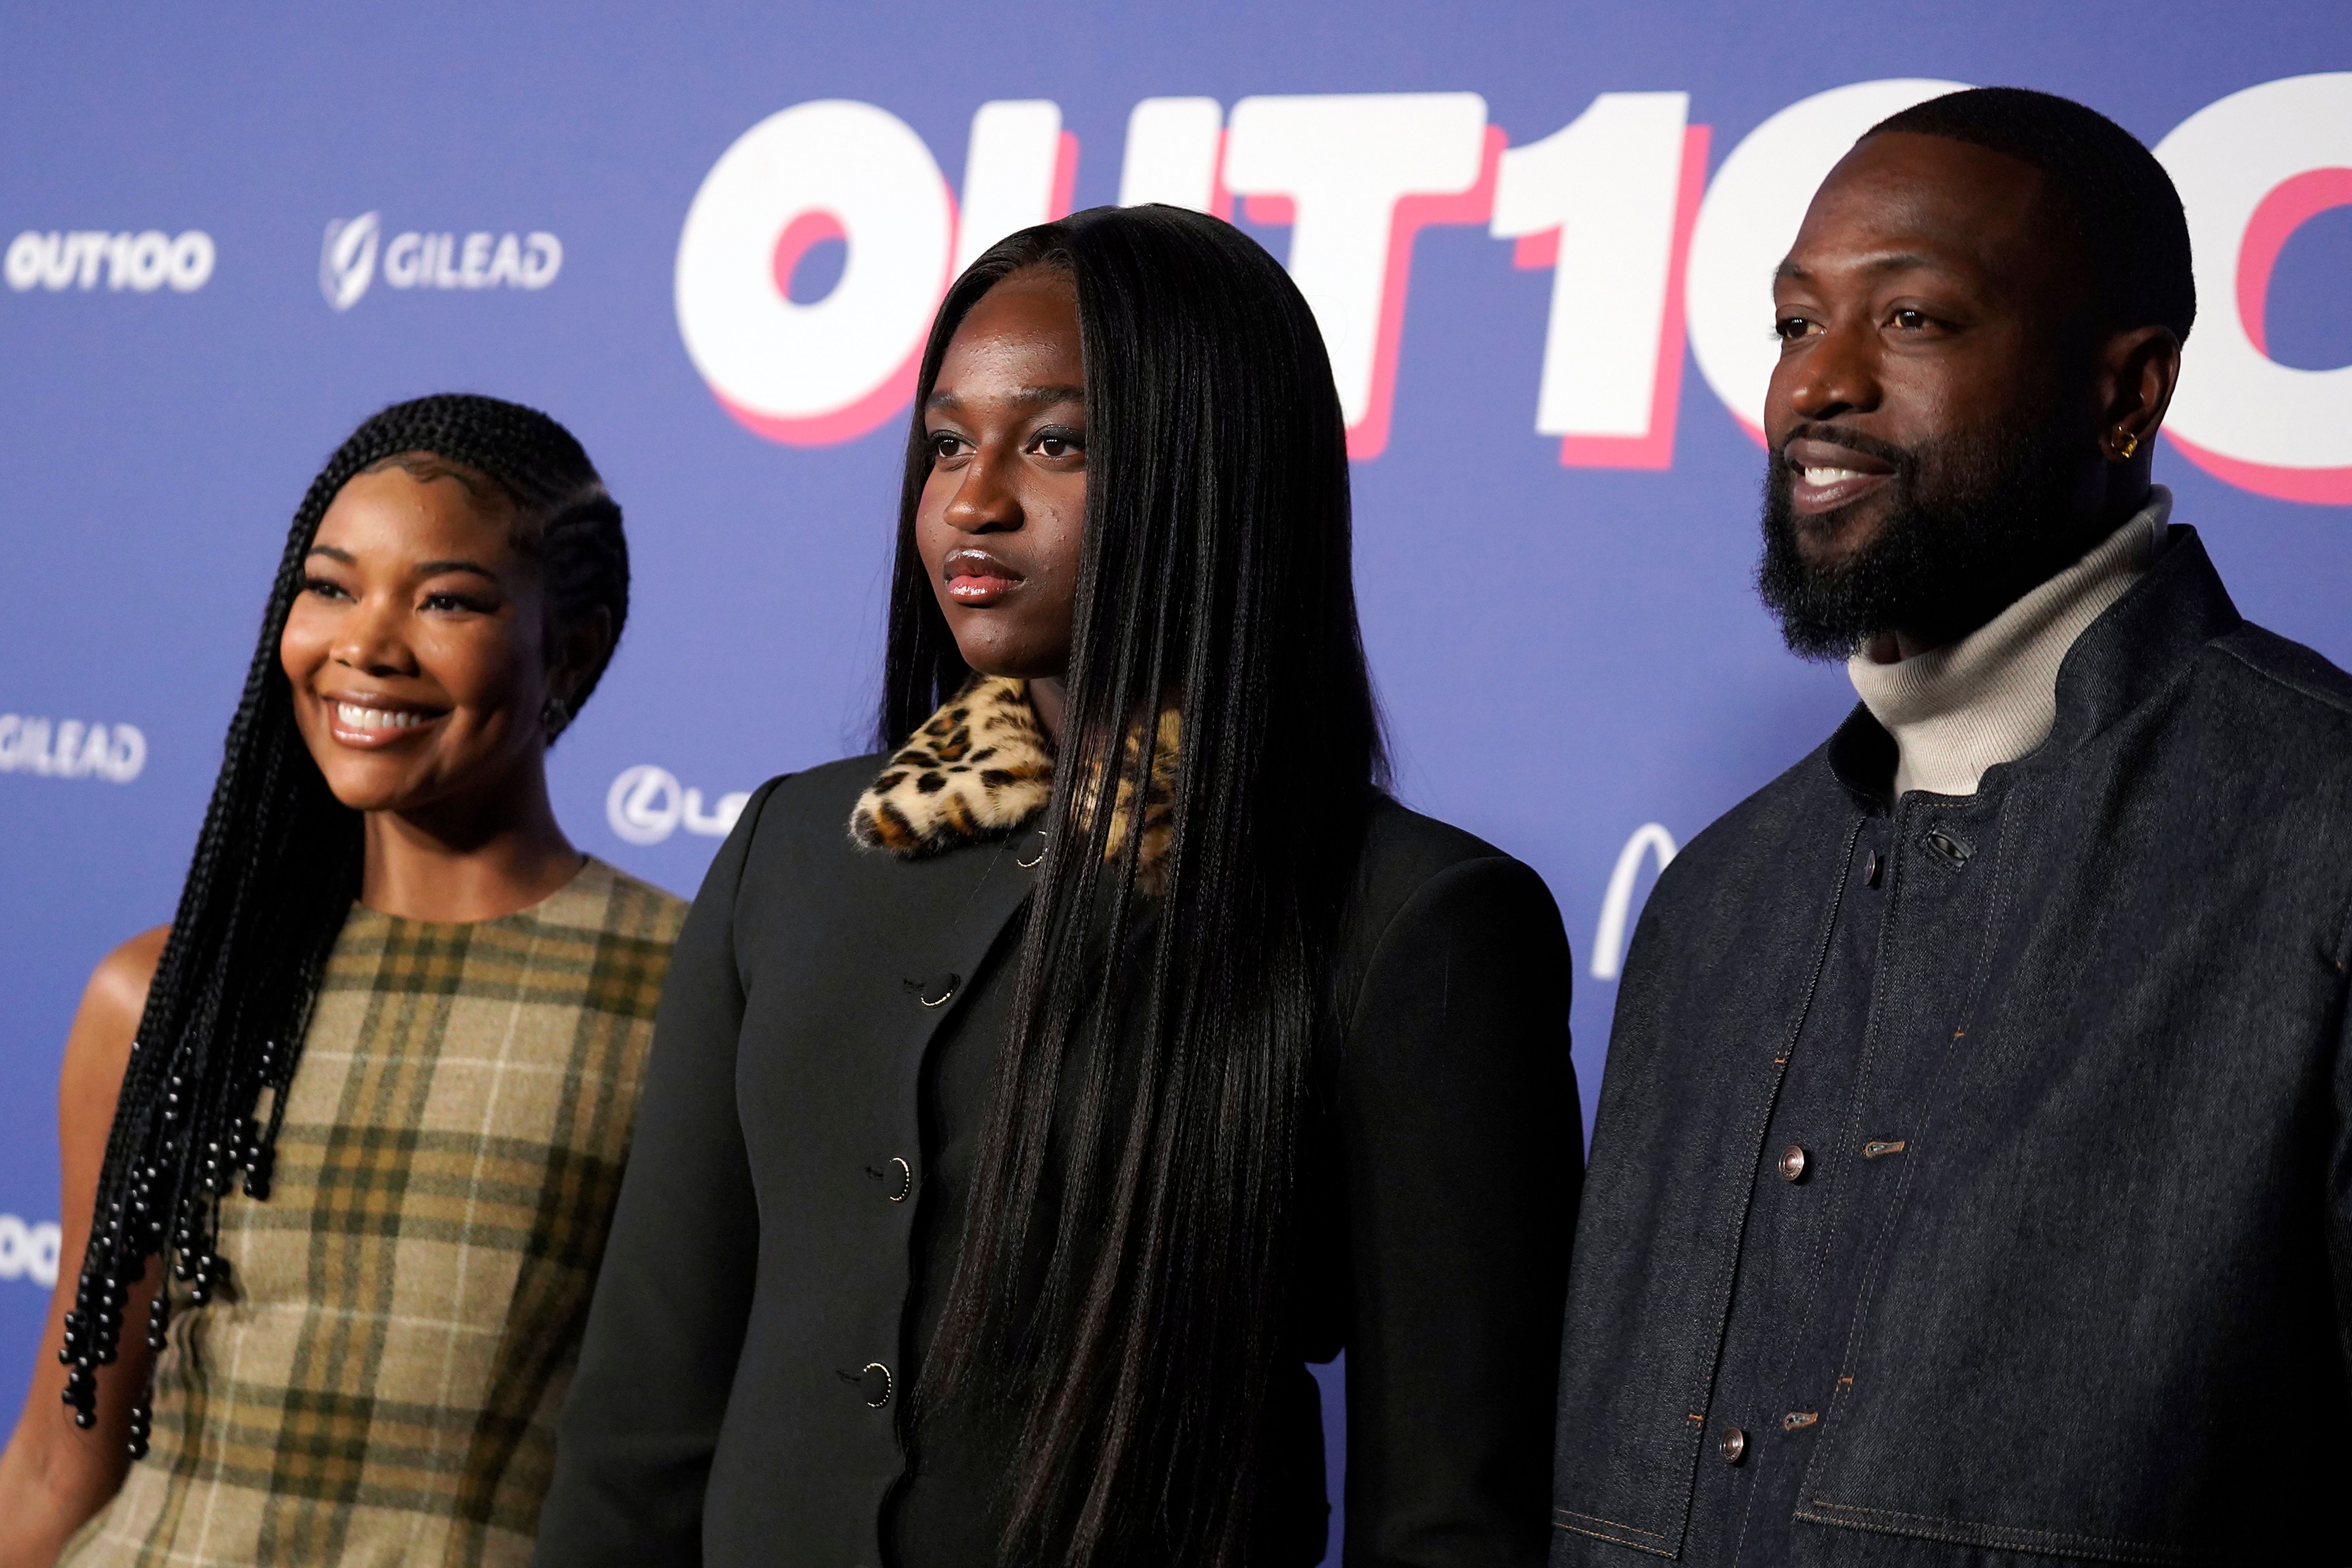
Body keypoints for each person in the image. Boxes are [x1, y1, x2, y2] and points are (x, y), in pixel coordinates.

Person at [535, 204, 1581, 1568]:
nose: (974, 499)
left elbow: (1449, 1512)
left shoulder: (1417, 922)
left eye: (1057, 442)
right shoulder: (795, 849)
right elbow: (642, 1420)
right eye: (947, 444)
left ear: (1216, 469)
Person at [1549, 86, 2352, 1565]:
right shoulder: (1718, 900)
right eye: (1798, 325)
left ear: (2127, 393)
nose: (1818, 388)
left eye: (1911, 321)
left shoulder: (2321, 823)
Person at [0, 394, 688, 1568]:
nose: (366, 644)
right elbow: (65, 1461)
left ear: (571, 644)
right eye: (330, 586)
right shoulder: (171, 995)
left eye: (447, 600)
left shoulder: (687, 996)